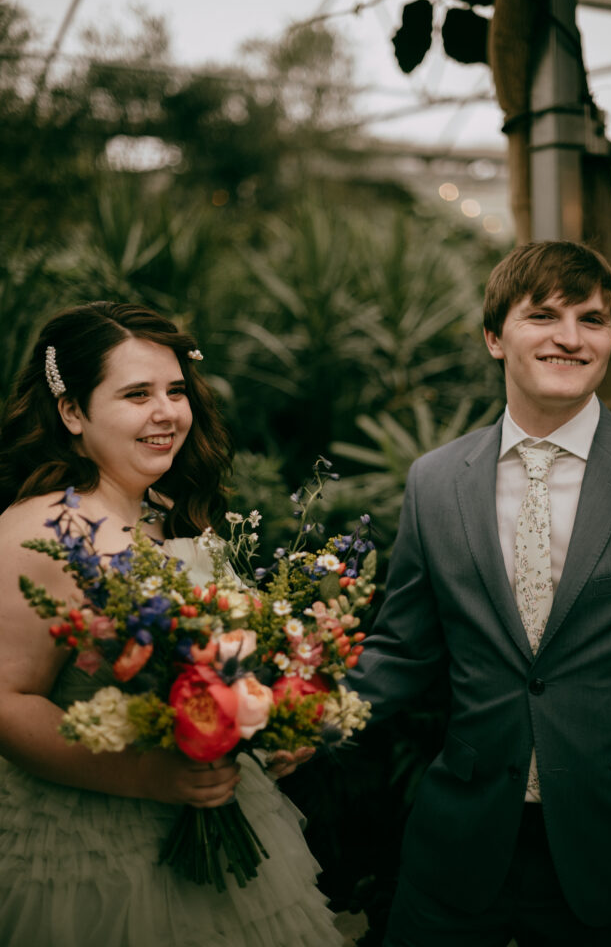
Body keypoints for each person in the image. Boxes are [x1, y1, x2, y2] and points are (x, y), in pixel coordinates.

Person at [345, 241, 611, 946]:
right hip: (460, 844)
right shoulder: (434, 480)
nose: (570, 338)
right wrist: (291, 722)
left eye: (591, 320)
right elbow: (402, 651)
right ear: (494, 338)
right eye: (543, 316)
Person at [0, 301, 342, 947]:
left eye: (176, 391)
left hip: (219, 819)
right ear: (72, 412)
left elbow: (225, 661)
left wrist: (271, 725)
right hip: (96, 853)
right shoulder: (41, 531)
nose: (167, 412)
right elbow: (6, 702)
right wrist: (151, 775)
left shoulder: (169, 512)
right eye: (136, 394)